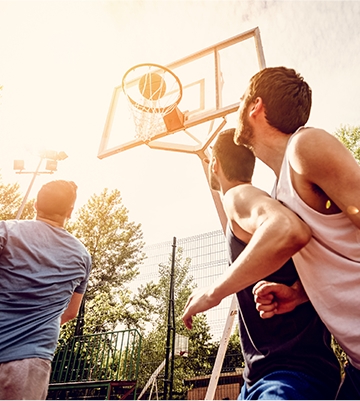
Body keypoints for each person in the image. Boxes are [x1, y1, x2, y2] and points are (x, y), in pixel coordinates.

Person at [182, 129, 340, 399]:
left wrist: (212, 294)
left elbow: (287, 228)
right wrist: (203, 158)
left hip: (289, 375)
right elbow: (231, 230)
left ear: (216, 164)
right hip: (264, 375)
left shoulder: (239, 196)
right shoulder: (245, 209)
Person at [234, 66, 360, 399]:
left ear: (255, 107)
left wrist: (214, 293)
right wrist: (300, 293)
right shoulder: (279, 191)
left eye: (240, 101)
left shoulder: (305, 146)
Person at [0, 180, 92, 400]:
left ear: (35, 205)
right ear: (70, 212)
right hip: (31, 360)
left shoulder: (7, 230)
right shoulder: (82, 256)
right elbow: (71, 312)